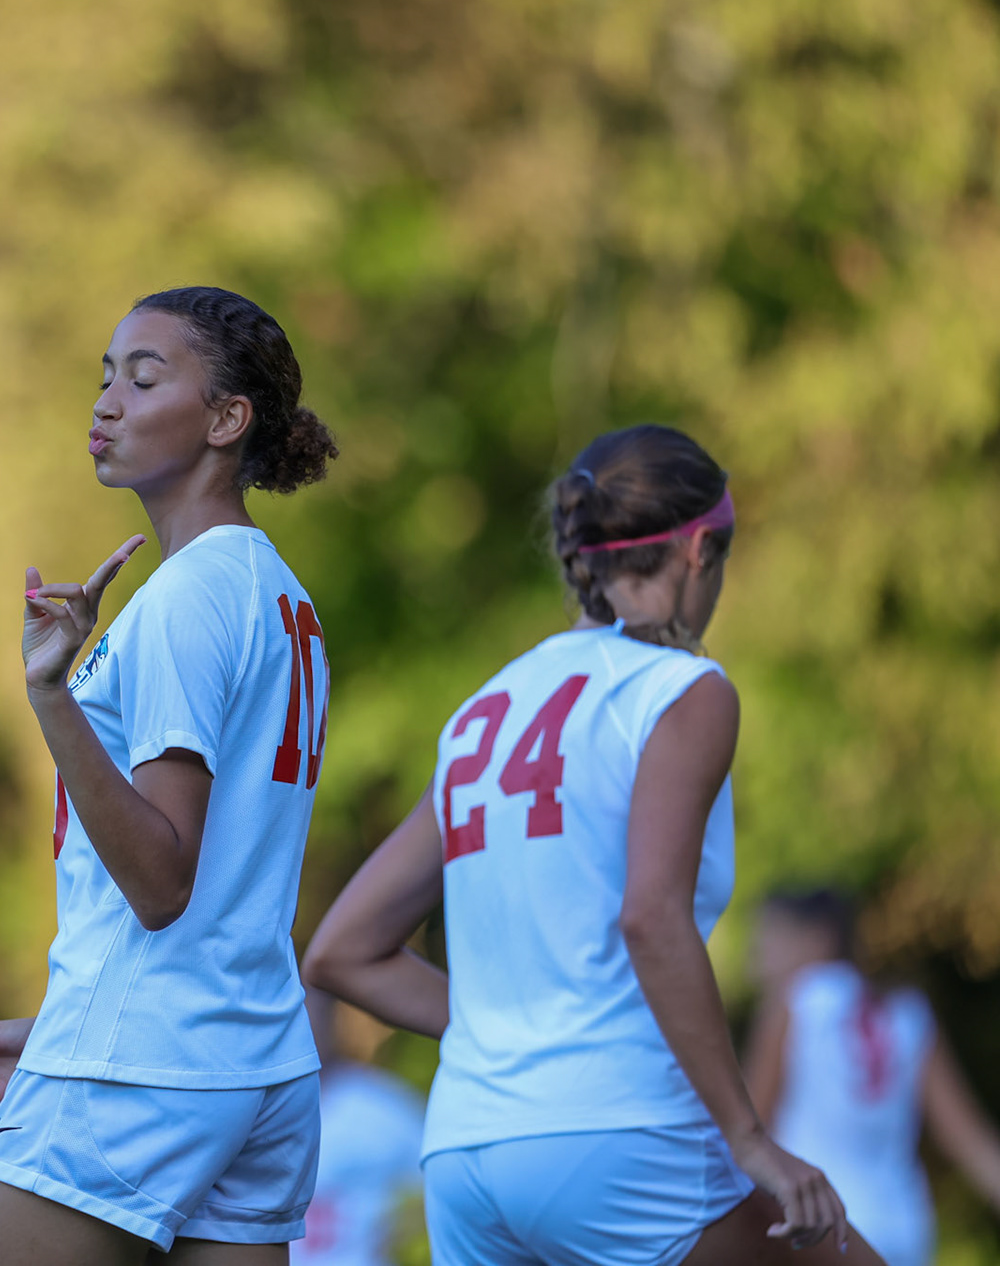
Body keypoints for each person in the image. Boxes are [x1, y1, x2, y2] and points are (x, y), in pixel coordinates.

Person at [302, 424, 885, 1266]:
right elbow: (650, 917)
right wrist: (752, 1139)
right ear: (696, 550)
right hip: (619, 1134)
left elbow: (339, 952)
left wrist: (513, 1029)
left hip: (467, 1153)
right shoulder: (682, 688)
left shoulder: (482, 712)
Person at [0, 286, 340, 1265]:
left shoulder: (187, 595)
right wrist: (54, 1027)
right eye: (105, 377)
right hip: (256, 1065)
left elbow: (161, 877)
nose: (106, 402)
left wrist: (52, 694)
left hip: (142, 1060)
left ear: (228, 419)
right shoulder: (278, 591)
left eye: (143, 378)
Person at [746, 888, 1000, 1266]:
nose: (757, 957)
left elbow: (749, 1129)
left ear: (819, 938)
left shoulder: (795, 1001)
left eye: (770, 936)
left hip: (819, 1230)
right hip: (902, 1230)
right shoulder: (907, 1010)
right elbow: (966, 1137)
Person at [291, 987, 425, 1266]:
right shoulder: (250, 1113)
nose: (304, 1026)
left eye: (312, 1012)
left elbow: (432, 1192)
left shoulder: (385, 1106)